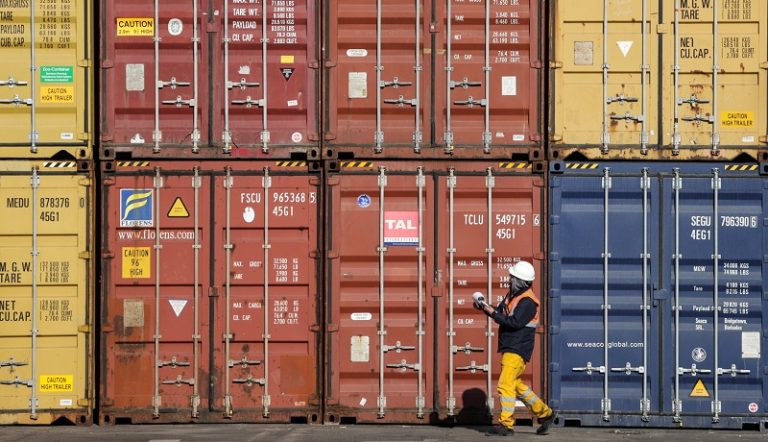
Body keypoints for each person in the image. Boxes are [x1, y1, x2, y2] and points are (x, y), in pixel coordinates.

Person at [474, 260, 556, 436]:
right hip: (511, 347)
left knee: (505, 385)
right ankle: (546, 414)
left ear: (521, 281)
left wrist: (492, 312)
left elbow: (514, 323)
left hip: (517, 349)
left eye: (512, 277)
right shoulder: (513, 295)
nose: (509, 279)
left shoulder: (528, 302)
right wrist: (485, 307)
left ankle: (506, 425)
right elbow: (501, 313)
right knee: (516, 385)